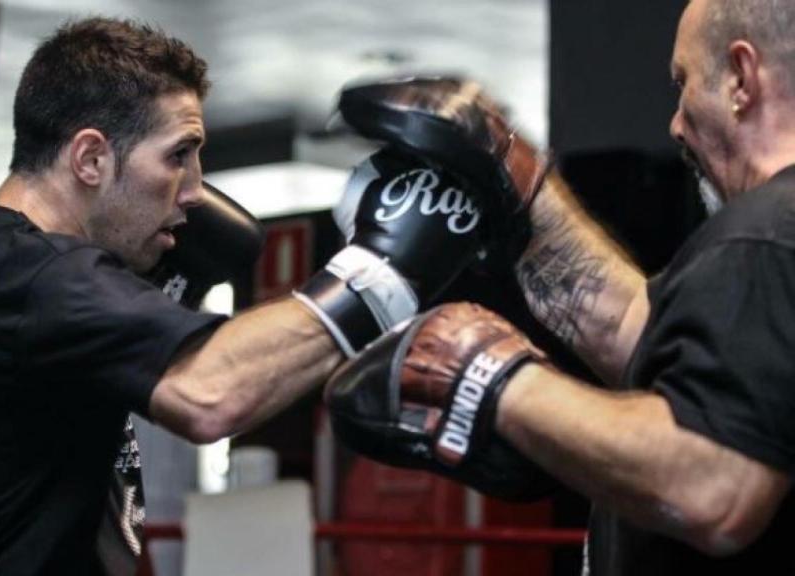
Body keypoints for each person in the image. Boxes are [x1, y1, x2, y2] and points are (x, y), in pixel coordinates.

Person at [0, 17, 484, 575]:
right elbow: (207, 395)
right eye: (178, 155)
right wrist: (384, 266)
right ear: (90, 158)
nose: (193, 189)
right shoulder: (39, 278)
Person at [325, 0, 795, 573]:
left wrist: (482, 374)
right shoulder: (775, 246)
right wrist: (517, 185)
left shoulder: (764, 234)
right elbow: (643, 335)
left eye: (684, 82)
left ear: (742, 79)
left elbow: (714, 483)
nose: (675, 121)